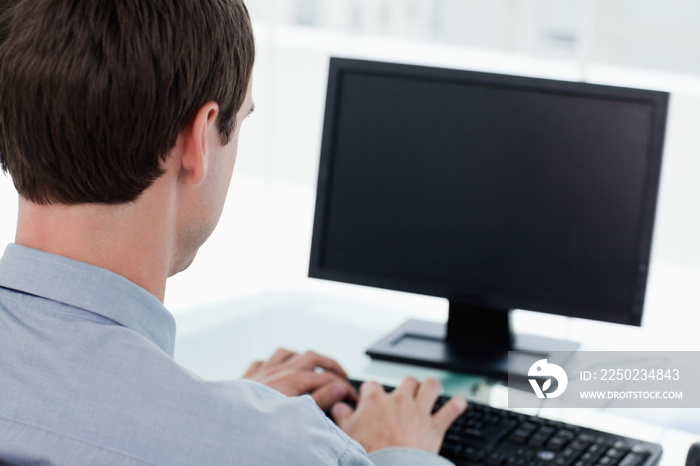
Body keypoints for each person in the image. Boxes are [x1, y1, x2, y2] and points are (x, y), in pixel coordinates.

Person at [0, 0, 467, 464]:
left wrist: (219, 412)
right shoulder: (288, 452)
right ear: (199, 139)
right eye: (241, 120)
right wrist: (395, 450)